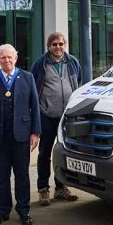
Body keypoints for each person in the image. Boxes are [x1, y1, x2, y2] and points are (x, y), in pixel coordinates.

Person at [0, 44, 41, 225]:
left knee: (22, 175)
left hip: (21, 136)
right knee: (1, 176)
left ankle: (24, 210)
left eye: (9, 57)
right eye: (2, 58)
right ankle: (3, 211)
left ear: (16, 58)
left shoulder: (28, 77)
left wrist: (35, 132)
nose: (6, 61)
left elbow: (35, 106)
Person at [30, 31, 82, 206]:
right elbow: (33, 87)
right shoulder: (40, 64)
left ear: (64, 45)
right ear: (48, 46)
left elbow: (79, 82)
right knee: (44, 154)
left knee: (65, 152)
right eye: (54, 44)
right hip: (46, 115)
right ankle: (43, 189)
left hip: (66, 117)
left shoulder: (73, 62)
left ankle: (61, 188)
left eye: (60, 44)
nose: (58, 47)